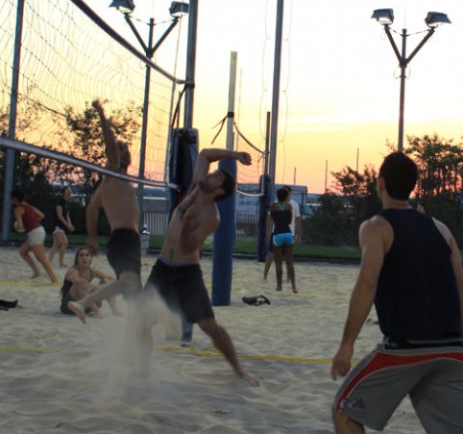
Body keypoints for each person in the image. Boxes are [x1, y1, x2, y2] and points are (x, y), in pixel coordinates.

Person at [330, 152, 463, 434]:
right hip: (452, 350)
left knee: (345, 411)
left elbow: (367, 284)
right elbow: (460, 292)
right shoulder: (441, 229)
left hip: (406, 349)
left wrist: (347, 344)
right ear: (413, 187)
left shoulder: (376, 227)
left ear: (380, 183)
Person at [140, 147, 259, 385]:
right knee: (141, 321)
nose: (211, 174)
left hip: (186, 273)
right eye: (214, 173)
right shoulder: (194, 190)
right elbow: (204, 154)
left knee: (209, 326)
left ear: (219, 191)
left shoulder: (211, 216)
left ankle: (239, 371)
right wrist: (234, 156)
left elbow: (187, 247)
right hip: (163, 266)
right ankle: (142, 370)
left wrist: (185, 228)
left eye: (217, 176)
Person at [67, 99, 141, 323]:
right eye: (120, 150)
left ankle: (136, 338)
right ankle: (82, 303)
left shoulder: (111, 183)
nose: (123, 153)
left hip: (128, 241)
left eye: (124, 149)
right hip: (123, 239)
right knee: (128, 282)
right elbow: (111, 147)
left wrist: (91, 238)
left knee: (135, 294)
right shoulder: (112, 172)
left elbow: (92, 208)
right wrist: (101, 114)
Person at [11, 188, 59, 283]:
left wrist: (18, 227)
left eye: (12, 198)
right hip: (39, 230)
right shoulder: (28, 205)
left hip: (34, 233)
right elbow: (41, 215)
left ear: (15, 199)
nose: (11, 200)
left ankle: (54, 280)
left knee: (42, 258)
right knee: (23, 252)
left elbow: (20, 226)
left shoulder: (18, 209)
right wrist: (30, 223)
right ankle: (36, 272)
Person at [60, 246, 120, 317]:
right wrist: (94, 287)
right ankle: (97, 311)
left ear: (91, 258)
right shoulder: (73, 270)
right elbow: (75, 279)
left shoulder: (92, 271)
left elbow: (110, 278)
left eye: (87, 255)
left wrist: (107, 283)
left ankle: (115, 310)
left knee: (106, 282)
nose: (84, 258)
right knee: (79, 284)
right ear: (77, 259)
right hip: (70, 307)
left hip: (87, 306)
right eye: (81, 255)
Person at [262, 184, 301, 282]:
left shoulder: (294, 205)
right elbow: (269, 219)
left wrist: (297, 234)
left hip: (289, 234)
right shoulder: (275, 204)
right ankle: (265, 276)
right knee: (271, 255)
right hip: (276, 233)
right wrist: (267, 232)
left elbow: (297, 220)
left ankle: (288, 278)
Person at [49, 186, 74, 268]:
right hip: (57, 225)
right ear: (63, 193)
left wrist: (70, 224)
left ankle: (49, 263)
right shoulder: (60, 202)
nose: (69, 192)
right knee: (64, 243)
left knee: (56, 245)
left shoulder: (67, 203)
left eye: (70, 191)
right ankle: (60, 262)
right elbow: (60, 216)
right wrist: (68, 226)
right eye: (67, 191)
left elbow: (67, 216)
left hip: (61, 226)